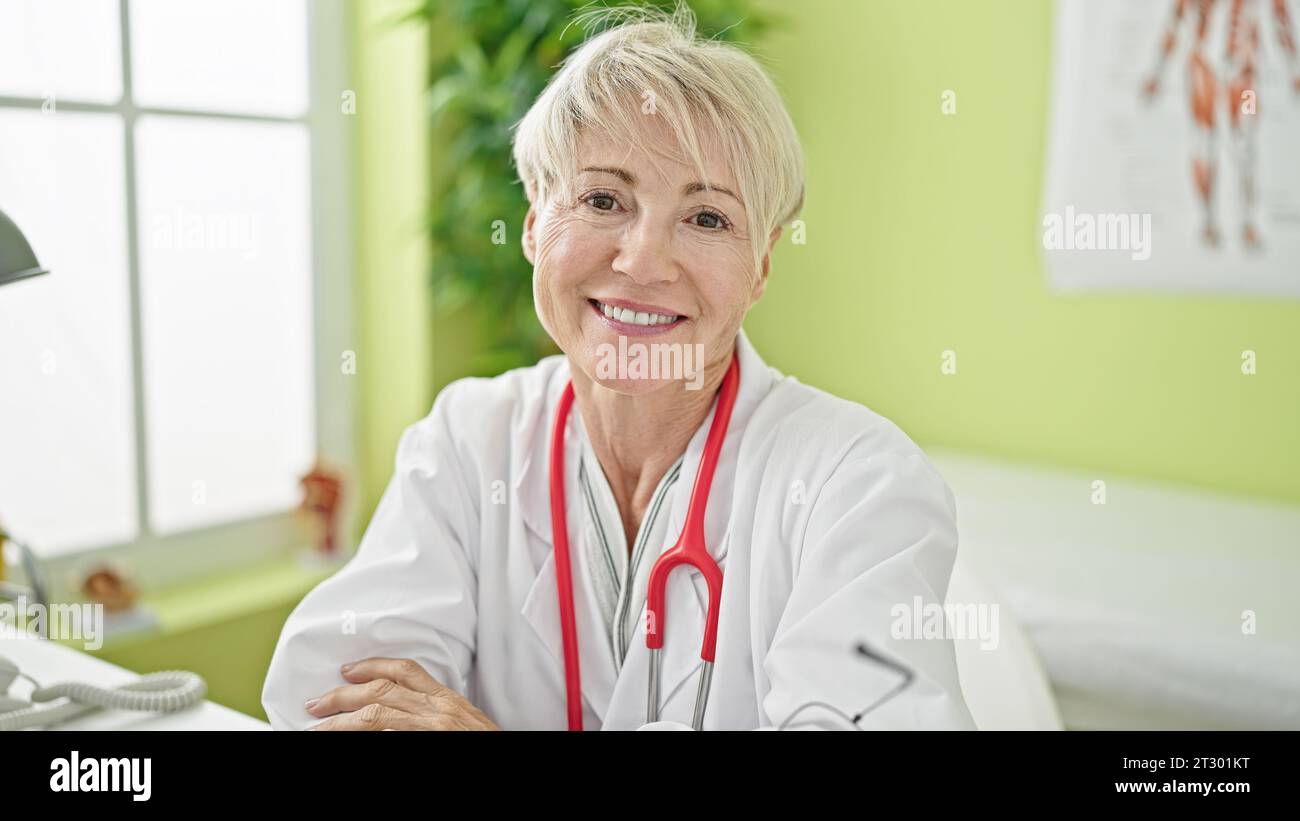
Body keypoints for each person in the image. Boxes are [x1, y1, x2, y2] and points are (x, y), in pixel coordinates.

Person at [262, 6, 975, 731]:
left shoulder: (857, 482)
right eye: (603, 199)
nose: (642, 262)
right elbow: (333, 694)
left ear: (760, 264)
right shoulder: (472, 441)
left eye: (706, 218)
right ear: (535, 224)